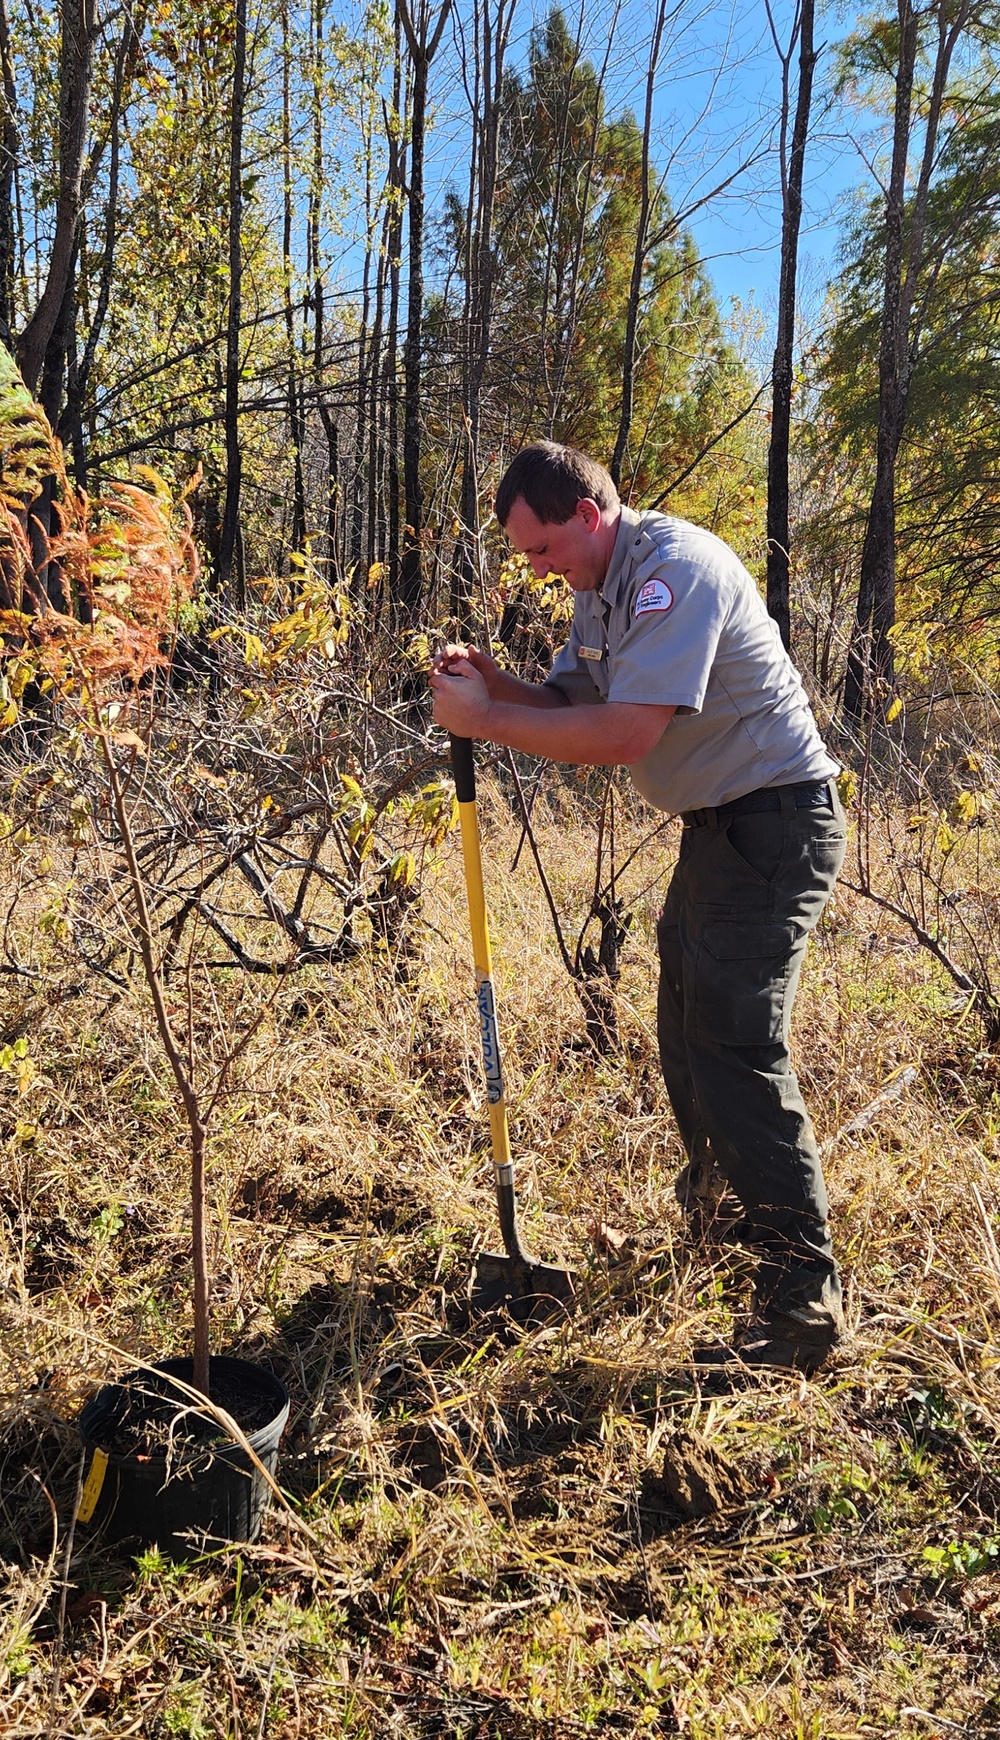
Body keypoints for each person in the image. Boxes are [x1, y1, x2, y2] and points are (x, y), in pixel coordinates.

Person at [429, 440, 847, 1374]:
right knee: (685, 1026)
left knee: (736, 1044)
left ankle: (802, 1308)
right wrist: (496, 685)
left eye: (539, 550)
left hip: (777, 825)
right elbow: (574, 695)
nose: (536, 571)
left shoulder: (676, 572)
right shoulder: (599, 585)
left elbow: (624, 732)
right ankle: (726, 1229)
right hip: (721, 830)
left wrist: (486, 724)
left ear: (586, 513)